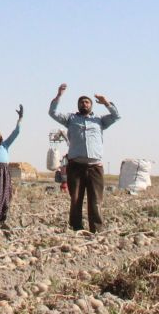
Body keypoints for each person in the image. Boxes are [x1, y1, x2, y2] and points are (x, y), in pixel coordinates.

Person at [48, 83, 119, 232]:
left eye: (87, 102)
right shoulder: (71, 119)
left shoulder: (99, 121)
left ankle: (97, 229)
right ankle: (76, 227)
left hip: (95, 167)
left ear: (91, 105)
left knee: (96, 200)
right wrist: (59, 95)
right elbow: (52, 112)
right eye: (81, 102)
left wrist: (106, 102)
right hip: (76, 167)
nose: (84, 104)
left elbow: (116, 116)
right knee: (76, 199)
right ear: (78, 105)